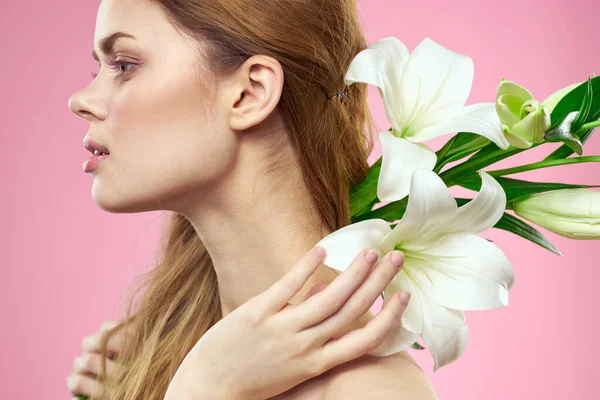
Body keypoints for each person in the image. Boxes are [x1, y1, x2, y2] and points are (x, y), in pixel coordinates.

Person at [67, 0, 439, 399]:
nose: (80, 101)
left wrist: (205, 386)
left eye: (124, 65)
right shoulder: (157, 350)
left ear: (250, 93)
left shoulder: (369, 392)